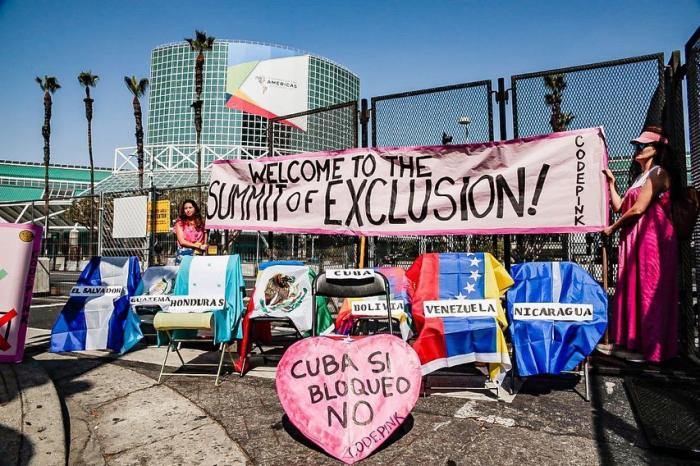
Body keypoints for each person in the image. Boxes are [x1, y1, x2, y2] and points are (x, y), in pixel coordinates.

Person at [602, 125, 681, 363]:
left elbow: (638, 209)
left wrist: (613, 228)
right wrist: (611, 184)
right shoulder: (640, 178)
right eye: (637, 145)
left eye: (642, 145)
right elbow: (620, 207)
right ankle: (632, 343)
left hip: (651, 241)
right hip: (634, 238)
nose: (637, 148)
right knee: (631, 287)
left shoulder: (659, 173)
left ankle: (648, 348)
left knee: (648, 289)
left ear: (655, 150)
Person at [174, 199, 208, 265]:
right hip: (184, 254)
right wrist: (198, 246)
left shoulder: (201, 223)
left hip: (198, 254)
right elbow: (182, 241)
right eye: (185, 208)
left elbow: (204, 241)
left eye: (190, 207)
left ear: (195, 208)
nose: (188, 210)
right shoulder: (180, 223)